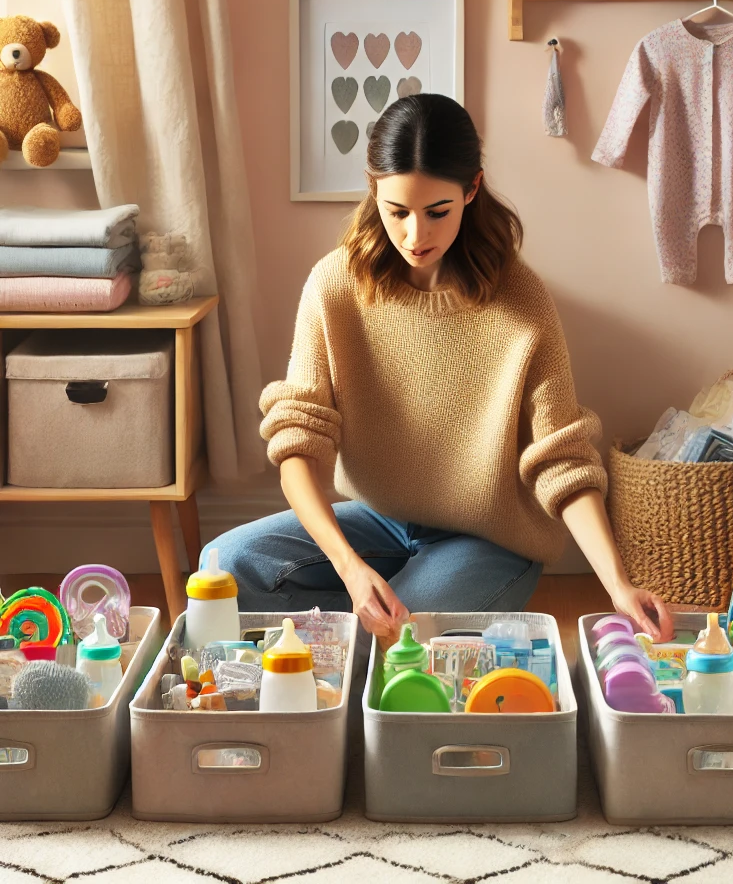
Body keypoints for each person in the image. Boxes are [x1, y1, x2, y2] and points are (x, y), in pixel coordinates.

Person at [209, 94, 673, 643]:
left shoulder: (521, 301)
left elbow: (562, 459)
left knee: (403, 635)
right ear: (374, 190)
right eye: (396, 211)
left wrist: (619, 586)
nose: (415, 236)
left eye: (437, 212)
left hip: (490, 541)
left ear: (471, 190)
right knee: (221, 568)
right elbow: (297, 446)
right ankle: (370, 623)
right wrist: (351, 570)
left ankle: (356, 631)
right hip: (378, 522)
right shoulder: (335, 286)